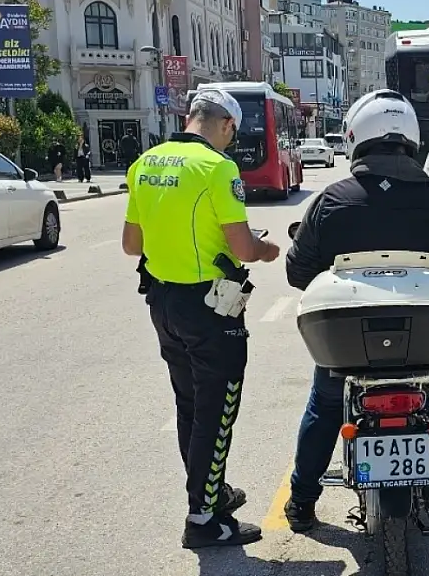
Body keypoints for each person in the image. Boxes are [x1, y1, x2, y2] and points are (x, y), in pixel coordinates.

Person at [283, 89, 429, 532]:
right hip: (427, 343)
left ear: (356, 138)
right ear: (412, 141)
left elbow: (297, 271)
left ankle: (302, 503)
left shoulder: (331, 201)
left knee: (325, 405)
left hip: (347, 346)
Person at [121, 89, 280, 549]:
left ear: (191, 116)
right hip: (210, 308)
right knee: (218, 409)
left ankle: (208, 495)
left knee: (190, 404)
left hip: (163, 303)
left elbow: (133, 246)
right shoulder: (217, 168)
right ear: (227, 125)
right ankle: (203, 519)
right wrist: (266, 249)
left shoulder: (145, 163)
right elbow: (245, 248)